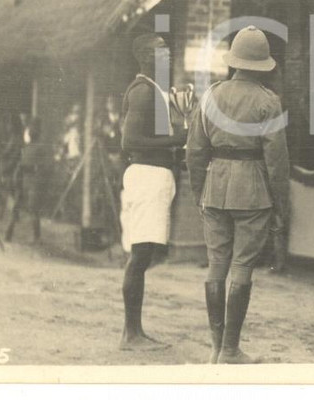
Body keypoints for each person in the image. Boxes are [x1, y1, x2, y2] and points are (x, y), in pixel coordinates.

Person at [187, 26, 290, 364]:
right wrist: (281, 206)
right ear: (262, 64)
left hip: (214, 187)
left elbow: (195, 152)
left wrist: (198, 190)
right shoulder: (268, 101)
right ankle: (231, 349)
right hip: (253, 191)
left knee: (216, 265)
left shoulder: (209, 96)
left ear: (234, 61)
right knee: (242, 266)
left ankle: (217, 347)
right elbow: (277, 162)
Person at [118, 34, 186, 350]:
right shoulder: (144, 91)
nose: (168, 54)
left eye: (168, 48)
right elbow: (129, 142)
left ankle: (135, 331)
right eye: (161, 49)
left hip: (152, 177)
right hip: (146, 177)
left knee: (143, 255)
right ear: (145, 55)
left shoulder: (152, 90)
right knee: (140, 255)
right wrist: (176, 141)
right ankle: (131, 334)